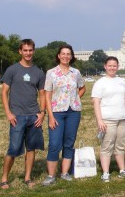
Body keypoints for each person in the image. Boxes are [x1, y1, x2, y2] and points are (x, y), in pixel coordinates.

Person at [0, 39, 46, 189]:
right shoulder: (12, 70)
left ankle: (27, 178)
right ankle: (4, 178)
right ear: (20, 51)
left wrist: (42, 113)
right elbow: (4, 92)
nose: (28, 53)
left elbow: (42, 94)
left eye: (30, 50)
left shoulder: (39, 72)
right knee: (13, 149)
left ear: (34, 51)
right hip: (17, 116)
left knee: (31, 148)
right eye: (25, 50)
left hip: (33, 116)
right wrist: (8, 113)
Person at [42, 44, 86, 186]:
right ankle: (51, 175)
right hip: (57, 112)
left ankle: (65, 173)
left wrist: (76, 98)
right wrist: (50, 115)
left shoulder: (76, 72)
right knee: (55, 144)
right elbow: (47, 94)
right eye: (63, 54)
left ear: (71, 56)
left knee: (69, 142)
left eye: (68, 54)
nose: (66, 56)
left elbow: (82, 87)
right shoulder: (51, 73)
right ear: (59, 56)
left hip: (73, 111)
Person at [91, 56, 125, 182]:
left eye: (114, 66)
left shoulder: (122, 81)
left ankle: (122, 169)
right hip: (107, 119)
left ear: (118, 67)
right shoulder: (100, 83)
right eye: (109, 65)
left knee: (120, 145)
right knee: (107, 145)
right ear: (105, 66)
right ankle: (105, 172)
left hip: (122, 118)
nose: (112, 68)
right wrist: (99, 120)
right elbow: (96, 103)